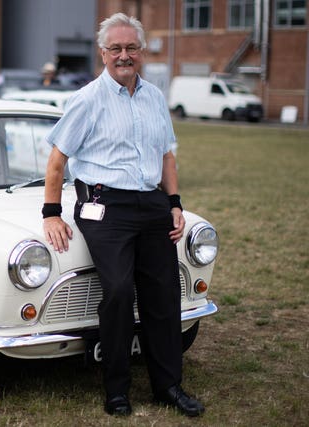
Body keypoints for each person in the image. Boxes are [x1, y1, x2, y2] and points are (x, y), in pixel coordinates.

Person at [42, 13, 204, 418]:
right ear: (102, 53)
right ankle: (117, 390)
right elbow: (57, 159)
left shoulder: (153, 97)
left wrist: (174, 204)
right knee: (116, 292)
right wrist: (51, 213)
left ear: (141, 51)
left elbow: (167, 155)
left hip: (150, 205)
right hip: (104, 207)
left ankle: (169, 386)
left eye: (131, 47)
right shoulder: (87, 99)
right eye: (115, 48)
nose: (124, 55)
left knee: (163, 295)